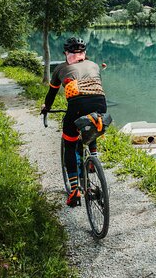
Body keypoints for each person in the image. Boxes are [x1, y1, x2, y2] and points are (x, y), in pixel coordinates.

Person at [41, 37, 107, 207]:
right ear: (84, 53)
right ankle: (93, 157)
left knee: (69, 144)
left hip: (77, 106)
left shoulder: (61, 68)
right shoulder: (93, 65)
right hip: (100, 102)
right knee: (92, 122)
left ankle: (74, 190)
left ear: (66, 53)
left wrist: (46, 107)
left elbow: (52, 94)